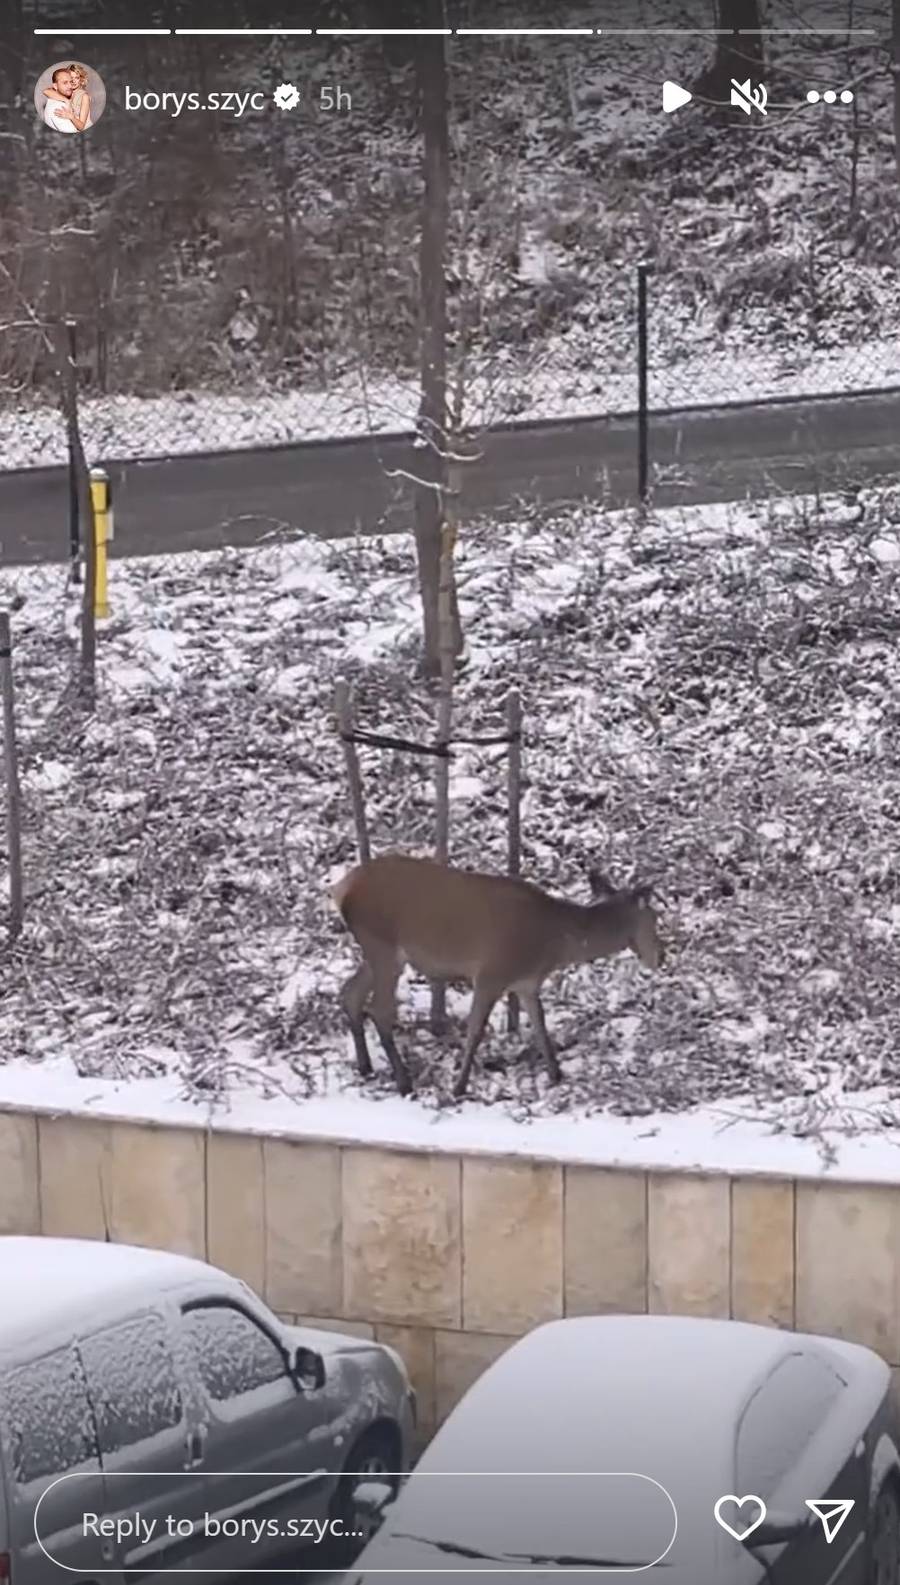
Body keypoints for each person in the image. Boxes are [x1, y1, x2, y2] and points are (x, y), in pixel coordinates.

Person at [42, 64, 92, 133]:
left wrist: (71, 117)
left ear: (81, 79)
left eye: (77, 77)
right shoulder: (67, 92)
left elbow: (81, 127)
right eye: (71, 78)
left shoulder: (84, 96)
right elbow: (45, 91)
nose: (73, 81)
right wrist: (66, 100)